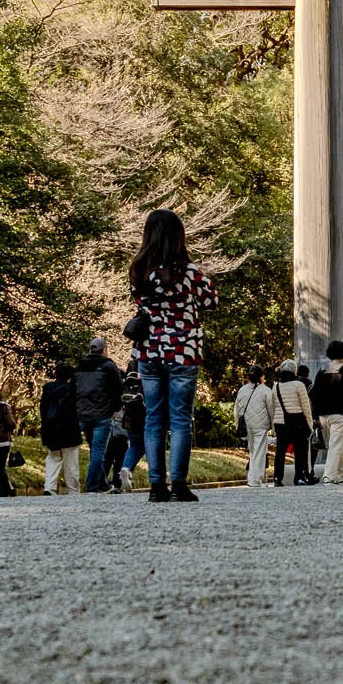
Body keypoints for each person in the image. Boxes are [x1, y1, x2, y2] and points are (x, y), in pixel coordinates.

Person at [128, 208, 220, 504]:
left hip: (150, 350)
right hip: (183, 350)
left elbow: (139, 301)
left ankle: (156, 486)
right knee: (180, 418)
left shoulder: (139, 269)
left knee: (153, 418)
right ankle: (178, 483)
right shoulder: (189, 272)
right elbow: (211, 301)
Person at [75, 337, 124, 493]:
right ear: (104, 350)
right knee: (98, 451)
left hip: (83, 413)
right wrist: (116, 408)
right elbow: (118, 388)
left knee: (94, 449)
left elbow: (73, 390)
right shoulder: (108, 366)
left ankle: (103, 484)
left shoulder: (79, 367)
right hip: (102, 414)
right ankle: (92, 485)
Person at [309, 343, 343, 484]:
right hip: (339, 414)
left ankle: (340, 474)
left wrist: (315, 415)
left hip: (322, 415)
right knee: (336, 446)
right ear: (342, 353)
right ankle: (330, 475)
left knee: (334, 445)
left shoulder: (322, 371)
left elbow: (314, 395)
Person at [271, 361, 316, 486]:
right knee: (300, 449)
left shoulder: (276, 387)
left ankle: (277, 478)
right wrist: (310, 424)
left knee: (280, 451)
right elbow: (305, 406)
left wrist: (273, 425)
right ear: (294, 371)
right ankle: (299, 477)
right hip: (297, 421)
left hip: (280, 422)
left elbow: (273, 407)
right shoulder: (299, 385)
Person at [40, 363, 83, 495]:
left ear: (55, 374)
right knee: (71, 462)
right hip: (69, 429)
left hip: (51, 429)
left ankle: (49, 486)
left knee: (53, 458)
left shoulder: (47, 389)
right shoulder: (72, 389)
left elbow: (43, 409)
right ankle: (73, 489)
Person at [235, 368, 276, 487]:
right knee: (259, 452)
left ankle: (254, 478)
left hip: (247, 425)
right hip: (260, 425)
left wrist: (238, 425)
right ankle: (256, 479)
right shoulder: (266, 390)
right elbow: (271, 409)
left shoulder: (242, 390)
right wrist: (273, 427)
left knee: (253, 451)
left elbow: (237, 410)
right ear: (261, 376)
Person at [116, 375, 145, 493]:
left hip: (130, 415)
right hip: (146, 414)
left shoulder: (130, 371)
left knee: (134, 446)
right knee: (152, 445)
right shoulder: (153, 365)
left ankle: (126, 468)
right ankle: (159, 477)